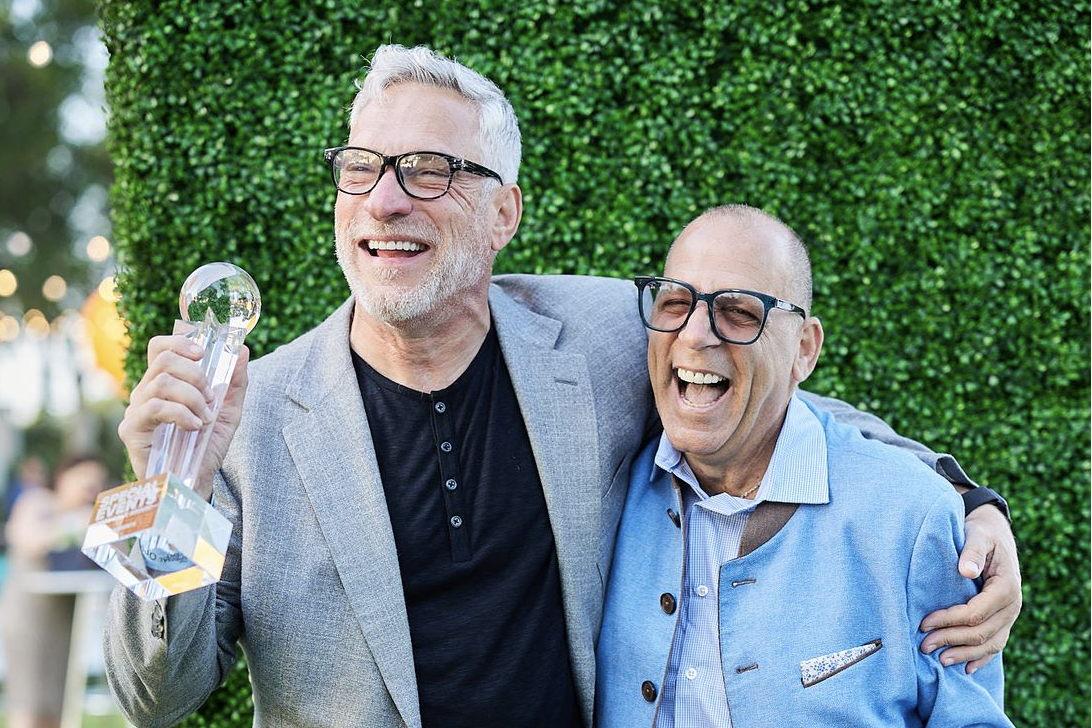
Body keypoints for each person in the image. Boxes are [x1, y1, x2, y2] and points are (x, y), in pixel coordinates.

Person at [104, 45, 1020, 728]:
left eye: (429, 170)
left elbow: (764, 385)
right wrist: (164, 489)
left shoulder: (600, 335)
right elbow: (151, 698)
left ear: (503, 211)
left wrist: (968, 499)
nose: (385, 199)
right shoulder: (246, 415)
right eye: (362, 168)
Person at [596, 205, 1012, 727]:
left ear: (804, 349)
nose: (695, 335)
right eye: (675, 302)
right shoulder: (600, 481)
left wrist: (979, 503)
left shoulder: (913, 518)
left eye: (739, 312)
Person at [0, 454, 111, 728]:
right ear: (63, 477)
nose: (90, 487)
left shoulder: (90, 518)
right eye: (84, 479)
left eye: (97, 482)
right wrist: (72, 523)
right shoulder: (38, 501)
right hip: (29, 618)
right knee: (30, 702)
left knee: (58, 703)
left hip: (64, 619)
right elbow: (26, 540)